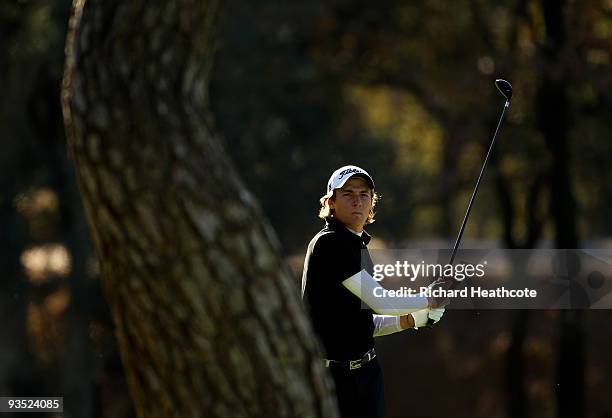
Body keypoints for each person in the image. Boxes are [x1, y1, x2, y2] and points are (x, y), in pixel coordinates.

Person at [301, 165, 445, 418]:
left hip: (366, 375)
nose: (357, 200)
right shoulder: (330, 244)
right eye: (348, 193)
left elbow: (366, 321)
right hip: (333, 379)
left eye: (364, 193)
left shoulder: (356, 245)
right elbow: (381, 302)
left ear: (371, 203)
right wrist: (429, 298)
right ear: (331, 202)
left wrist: (411, 320)